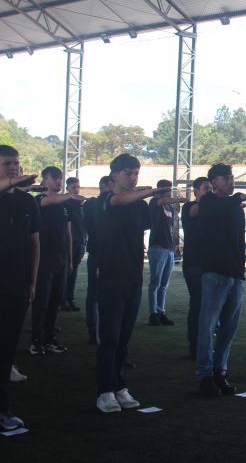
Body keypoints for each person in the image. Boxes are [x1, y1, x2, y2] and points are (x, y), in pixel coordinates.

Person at [94, 153, 167, 413]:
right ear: (114, 175)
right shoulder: (104, 199)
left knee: (124, 338)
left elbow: (141, 230)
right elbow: (120, 200)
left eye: (136, 172)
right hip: (111, 277)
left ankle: (119, 385)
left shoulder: (138, 205)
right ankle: (104, 390)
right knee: (110, 338)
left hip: (133, 277)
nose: (134, 177)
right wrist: (150, 193)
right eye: (128, 173)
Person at [0, 145, 40, 433]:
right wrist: (12, 183)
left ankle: (1, 408)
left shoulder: (27, 203)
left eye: (16, 163)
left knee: (4, 352)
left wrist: (31, 282)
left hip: (15, 288)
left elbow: (34, 244)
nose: (13, 167)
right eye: (6, 164)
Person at [196, 164, 246, 397]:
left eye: (232, 177)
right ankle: (204, 376)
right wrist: (240, 198)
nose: (231, 181)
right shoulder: (208, 202)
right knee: (208, 326)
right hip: (214, 272)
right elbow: (219, 206)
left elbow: (236, 242)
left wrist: (240, 273)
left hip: (234, 274)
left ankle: (220, 372)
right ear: (213, 182)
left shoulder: (235, 208)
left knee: (229, 328)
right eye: (226, 177)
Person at [31, 166, 83, 355]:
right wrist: (70, 196)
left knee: (55, 301)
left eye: (61, 178)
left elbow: (68, 235)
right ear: (44, 181)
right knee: (41, 301)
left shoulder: (65, 205)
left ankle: (49, 339)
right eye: (55, 178)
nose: (59, 182)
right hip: (44, 257)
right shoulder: (38, 200)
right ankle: (36, 341)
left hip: (61, 258)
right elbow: (47, 201)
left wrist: (69, 260)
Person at [146, 179, 186, 327]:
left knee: (163, 284)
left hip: (169, 248)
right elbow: (161, 200)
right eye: (167, 189)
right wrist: (178, 198)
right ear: (160, 190)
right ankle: (153, 313)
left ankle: (161, 312)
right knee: (155, 282)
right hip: (157, 246)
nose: (170, 191)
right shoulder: (155, 202)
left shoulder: (169, 205)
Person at [181, 176, 211, 359]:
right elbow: (195, 211)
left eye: (211, 189)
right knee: (198, 304)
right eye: (206, 189)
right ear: (196, 191)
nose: (210, 193)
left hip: (210, 263)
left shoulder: (212, 207)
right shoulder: (189, 207)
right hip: (194, 264)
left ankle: (202, 344)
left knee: (208, 306)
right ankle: (194, 345)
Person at [83, 175, 113, 345]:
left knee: (106, 295)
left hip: (109, 255)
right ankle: (94, 331)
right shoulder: (93, 204)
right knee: (95, 294)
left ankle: (100, 332)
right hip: (97, 253)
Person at [60, 176, 86, 312]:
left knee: (73, 272)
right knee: (66, 273)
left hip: (80, 243)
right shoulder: (66, 203)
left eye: (78, 187)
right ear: (67, 188)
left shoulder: (80, 205)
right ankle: (62, 300)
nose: (76, 190)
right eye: (73, 187)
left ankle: (70, 299)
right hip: (70, 243)